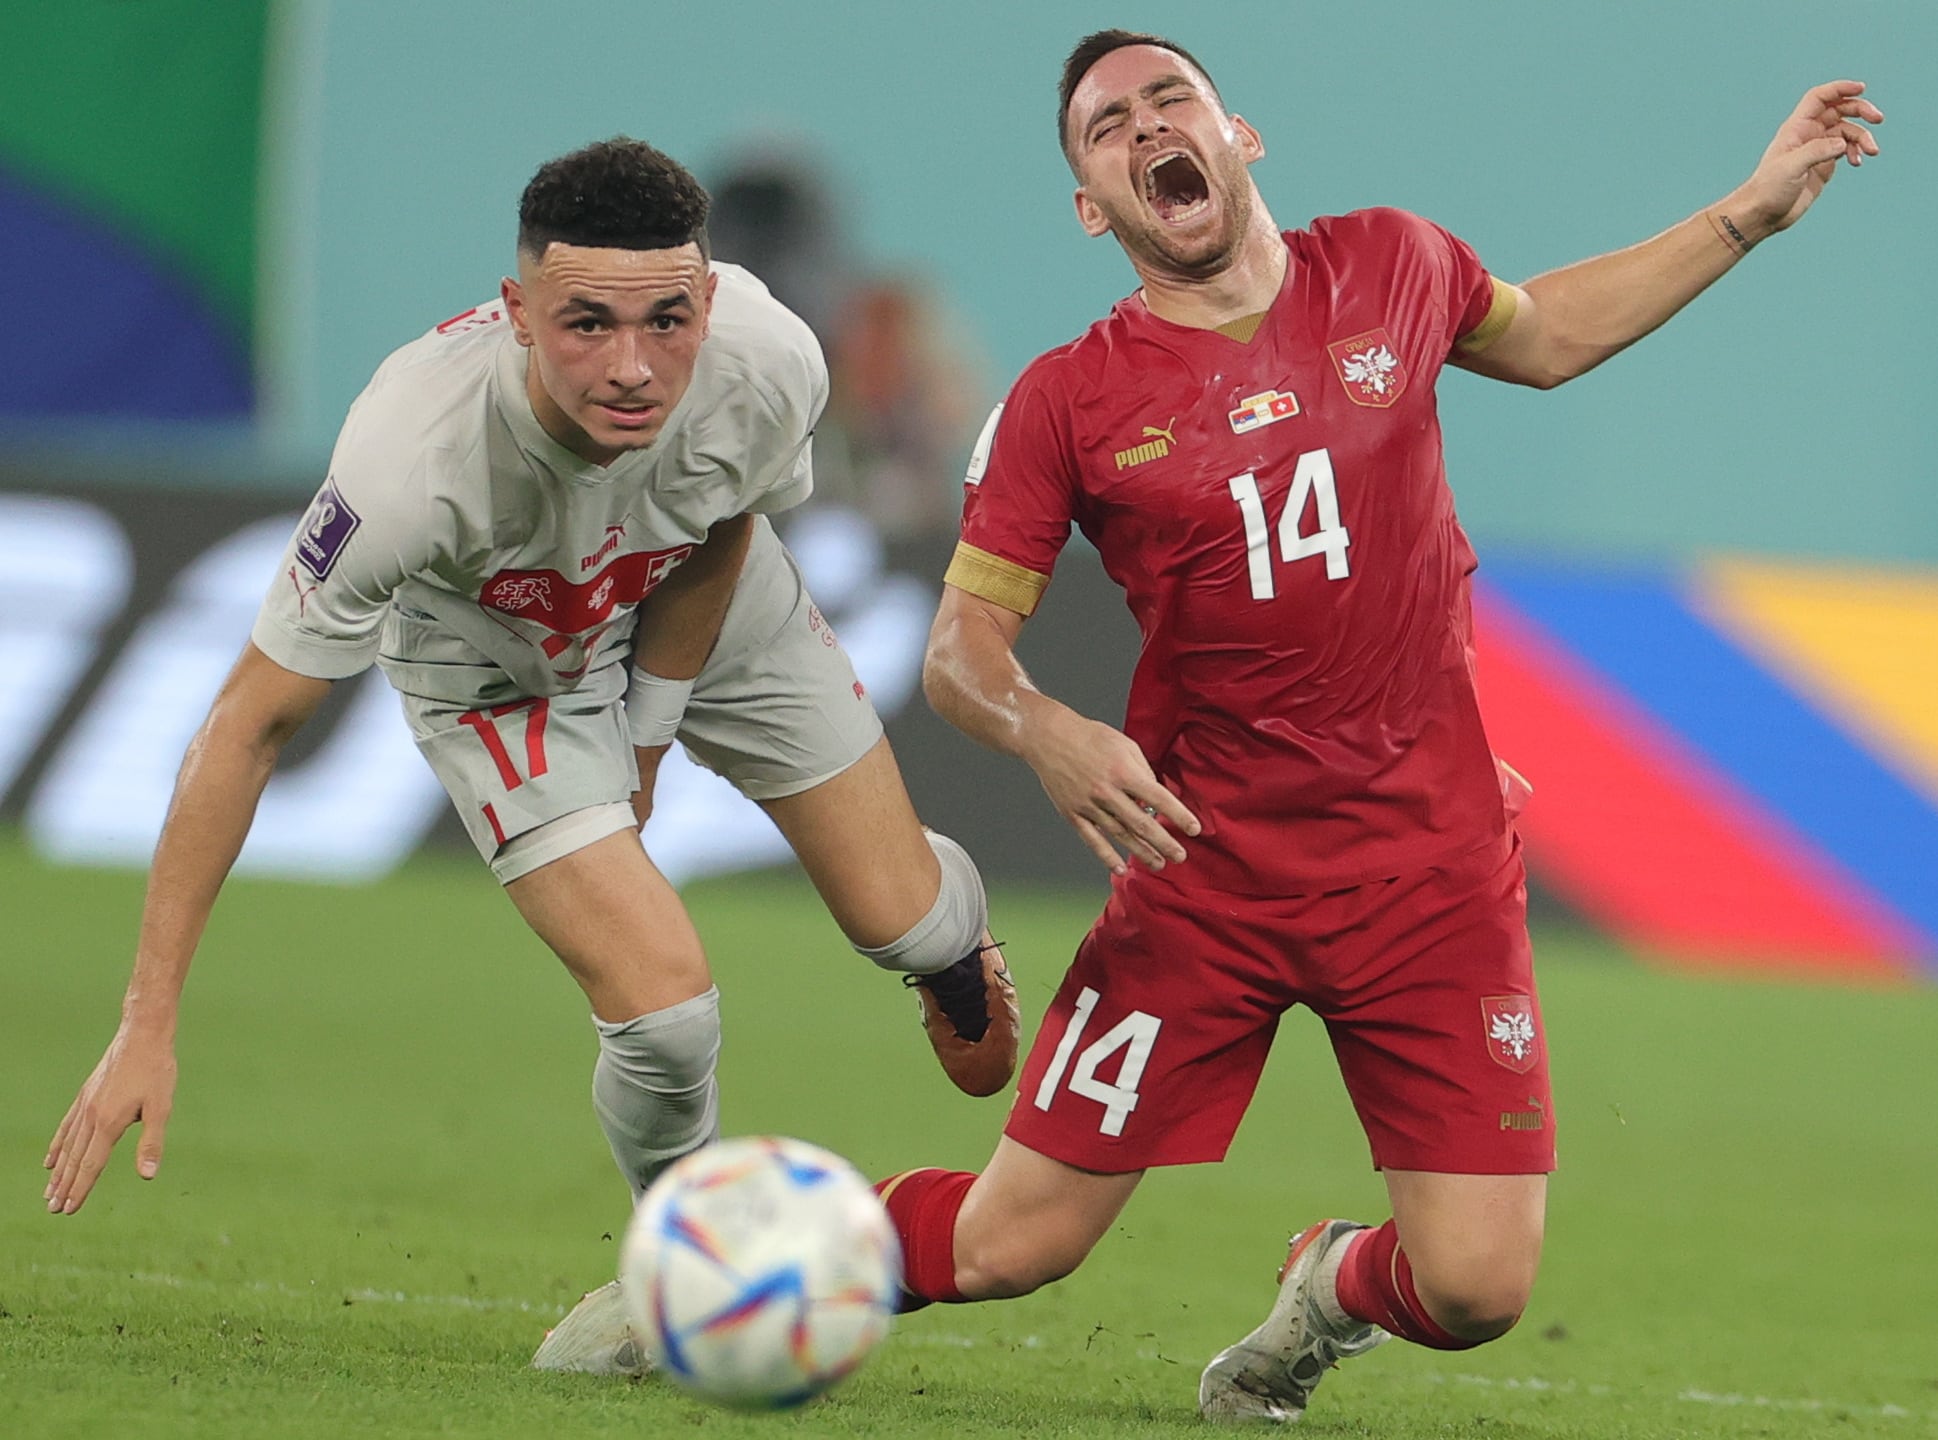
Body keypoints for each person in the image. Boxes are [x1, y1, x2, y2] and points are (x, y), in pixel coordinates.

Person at [873, 30, 1881, 1424]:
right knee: (1010, 1247)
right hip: (1205, 875)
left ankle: (1324, 1290)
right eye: (1106, 126)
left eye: (1171, 99)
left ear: (1241, 137)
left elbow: (1555, 336)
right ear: (1091, 206)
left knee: (1474, 1293)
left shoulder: (1395, 266)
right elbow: (956, 655)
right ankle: (753, 1255)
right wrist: (1048, 730)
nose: (1145, 124)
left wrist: (1746, 213)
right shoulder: (1068, 400)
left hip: (1429, 872)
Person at [39, 137, 1020, 1372]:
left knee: (905, 923)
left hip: (708, 608)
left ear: (709, 299)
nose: (631, 367)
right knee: (664, 1016)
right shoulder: (409, 461)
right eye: (585, 324)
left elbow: (719, 526)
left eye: (668, 320)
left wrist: (650, 736)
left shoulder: (770, 363)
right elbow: (245, 726)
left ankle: (946, 927)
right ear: (516, 314)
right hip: (502, 677)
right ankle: (687, 1268)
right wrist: (147, 1020)